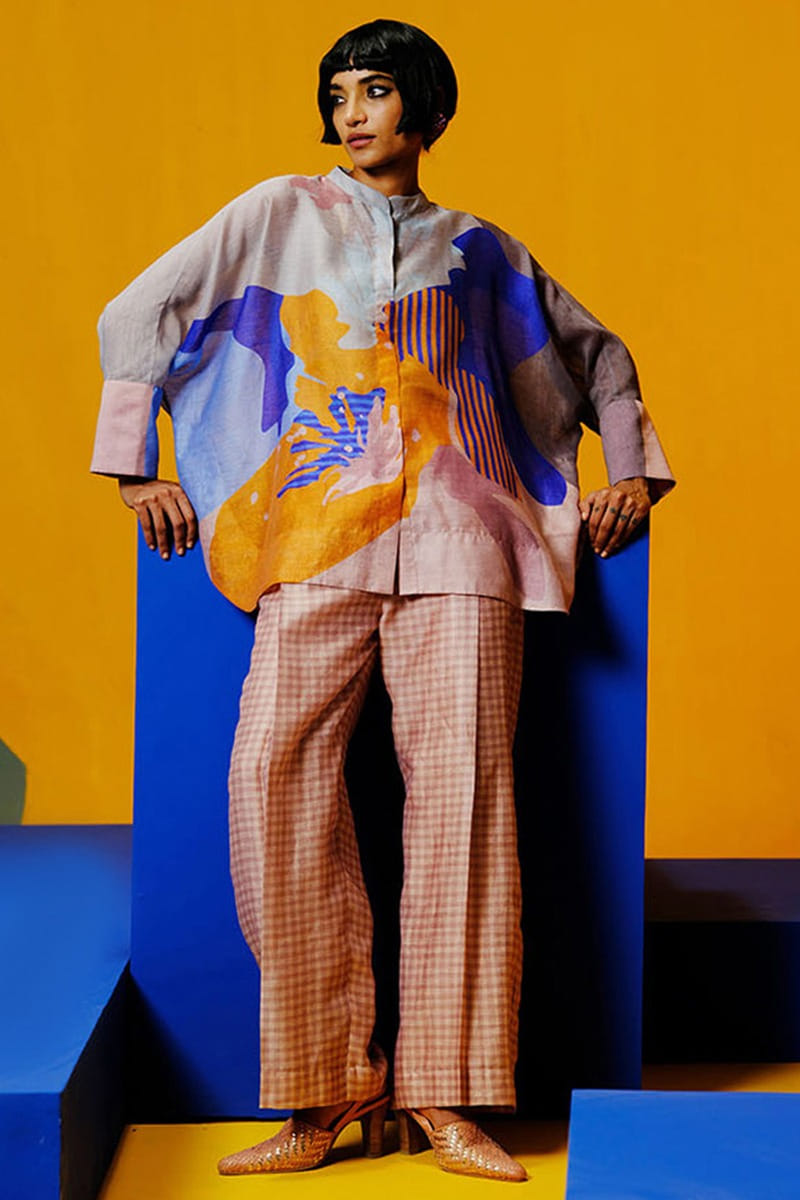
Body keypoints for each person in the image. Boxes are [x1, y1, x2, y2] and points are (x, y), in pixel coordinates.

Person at [92, 18, 673, 1183]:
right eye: (338, 94)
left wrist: (630, 475)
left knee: (465, 804)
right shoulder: (277, 212)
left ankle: (445, 1093)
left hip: (464, 548)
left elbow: (600, 358)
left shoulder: (484, 251)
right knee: (270, 778)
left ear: (428, 110)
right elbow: (135, 315)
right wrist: (132, 464)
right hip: (316, 542)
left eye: (374, 91)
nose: (352, 113)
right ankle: (327, 1085)